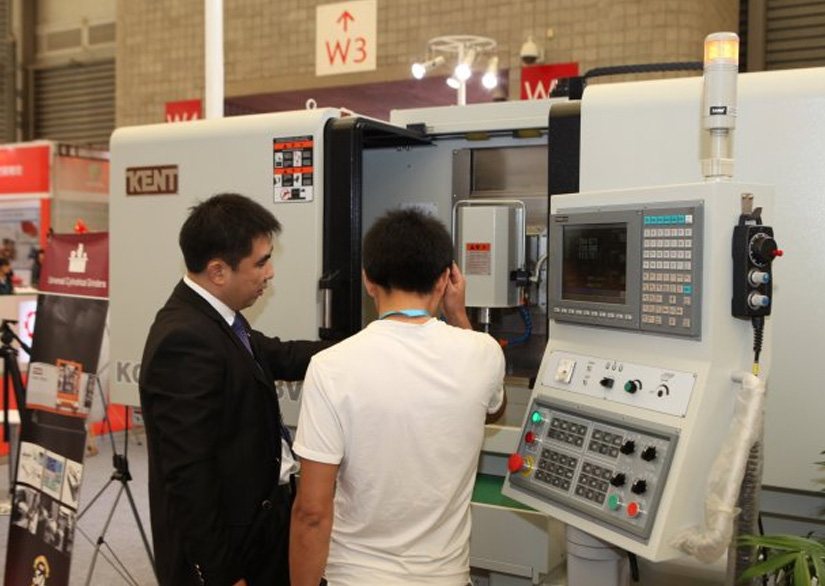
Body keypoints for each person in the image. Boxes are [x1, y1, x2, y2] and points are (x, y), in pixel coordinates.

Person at [290, 208, 507, 586]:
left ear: (367, 279)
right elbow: (493, 407)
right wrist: (458, 314)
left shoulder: (331, 367)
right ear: (446, 279)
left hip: (354, 577)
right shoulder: (484, 353)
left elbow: (311, 512)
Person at [140, 193, 329, 586]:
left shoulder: (218, 321)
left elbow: (284, 355)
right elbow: (189, 476)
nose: (270, 272)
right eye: (260, 262)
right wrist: (223, 575)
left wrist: (371, 343)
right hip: (230, 553)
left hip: (260, 529)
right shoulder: (186, 340)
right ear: (218, 271)